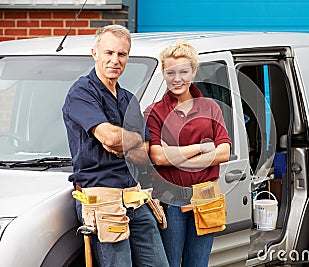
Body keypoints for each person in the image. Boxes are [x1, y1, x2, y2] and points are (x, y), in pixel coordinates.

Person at [62, 24, 169, 267]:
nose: (115, 60)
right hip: (102, 200)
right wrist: (129, 139)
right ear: (95, 53)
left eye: (121, 54)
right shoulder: (81, 93)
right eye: (109, 53)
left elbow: (144, 154)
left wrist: (125, 142)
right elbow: (110, 138)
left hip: (134, 196)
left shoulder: (127, 98)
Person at [144, 40, 231, 267]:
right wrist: (202, 148)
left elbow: (224, 152)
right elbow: (158, 157)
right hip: (170, 199)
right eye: (170, 72)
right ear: (163, 73)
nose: (177, 78)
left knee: (198, 264)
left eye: (184, 71)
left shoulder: (210, 107)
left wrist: (177, 157)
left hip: (206, 197)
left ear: (193, 72)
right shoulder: (154, 112)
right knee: (170, 263)